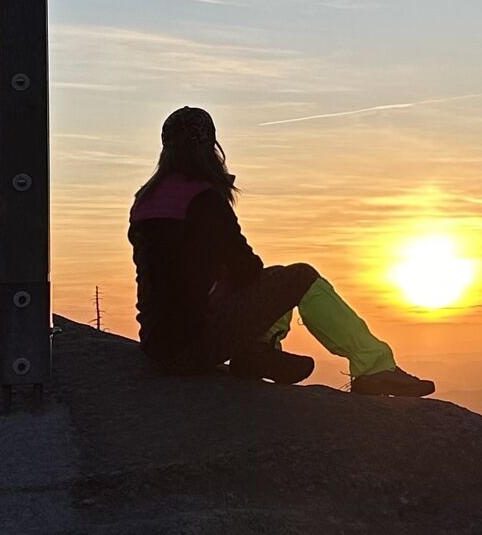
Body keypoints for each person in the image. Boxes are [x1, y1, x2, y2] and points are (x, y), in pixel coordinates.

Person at [128, 105, 434, 397]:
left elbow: (173, 274)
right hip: (194, 347)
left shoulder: (146, 200)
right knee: (300, 277)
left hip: (159, 347)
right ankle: (373, 367)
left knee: (277, 279)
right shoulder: (202, 198)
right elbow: (246, 269)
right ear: (210, 147)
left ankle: (258, 352)